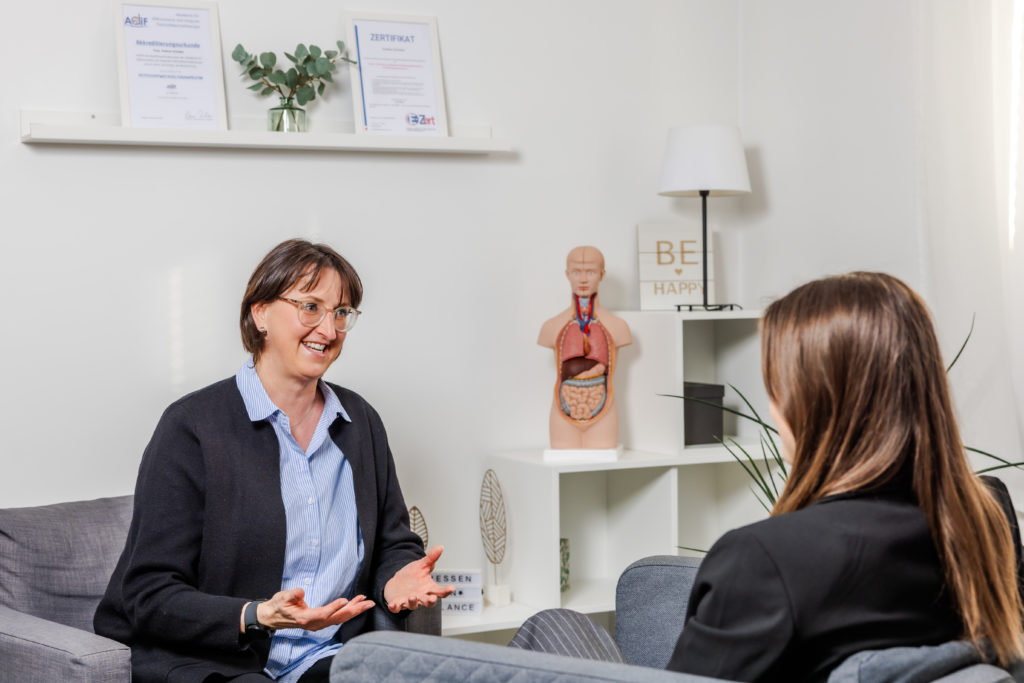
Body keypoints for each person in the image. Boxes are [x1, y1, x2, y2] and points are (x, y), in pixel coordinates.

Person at [515, 271, 1024, 681]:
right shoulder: (983, 513)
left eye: (776, 388)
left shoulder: (766, 558)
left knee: (550, 627)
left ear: (810, 405)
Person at [94, 239, 454, 683]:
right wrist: (258, 614)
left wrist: (395, 580)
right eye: (310, 307)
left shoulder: (359, 422)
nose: (328, 328)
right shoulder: (191, 427)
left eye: (341, 313)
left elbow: (393, 543)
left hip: (326, 658)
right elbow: (146, 594)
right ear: (260, 313)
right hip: (216, 663)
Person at [537, 246, 632, 449]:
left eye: (590, 272)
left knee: (600, 467)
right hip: (563, 410)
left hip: (604, 411)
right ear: (567, 274)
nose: (583, 279)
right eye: (577, 272)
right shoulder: (552, 326)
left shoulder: (618, 327)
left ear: (601, 275)